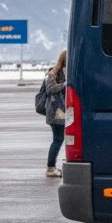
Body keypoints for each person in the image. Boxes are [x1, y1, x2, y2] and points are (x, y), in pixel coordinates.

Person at [43, 49, 68, 177]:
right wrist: (65, 85)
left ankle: (52, 166)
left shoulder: (66, 72)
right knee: (58, 139)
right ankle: (50, 167)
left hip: (63, 112)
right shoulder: (53, 73)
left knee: (59, 139)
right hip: (55, 112)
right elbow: (50, 89)